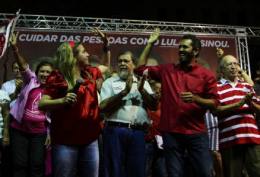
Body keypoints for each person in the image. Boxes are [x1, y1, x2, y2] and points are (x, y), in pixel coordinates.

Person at [135, 31, 219, 177]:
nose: (180, 49)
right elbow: (139, 69)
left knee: (205, 172)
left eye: (185, 47)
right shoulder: (167, 70)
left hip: (196, 133)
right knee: (174, 174)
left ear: (196, 51)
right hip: (171, 133)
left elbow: (215, 103)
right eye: (180, 47)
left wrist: (196, 99)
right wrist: (150, 44)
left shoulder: (206, 75)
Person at [39, 42, 102, 177]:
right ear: (73, 57)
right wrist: (62, 100)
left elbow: (105, 67)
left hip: (90, 140)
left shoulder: (90, 73)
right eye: (84, 52)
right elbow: (42, 104)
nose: (88, 54)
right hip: (65, 141)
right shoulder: (58, 77)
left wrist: (107, 47)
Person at [99, 50, 157, 177]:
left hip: (137, 132)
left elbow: (153, 105)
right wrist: (123, 93)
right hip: (115, 130)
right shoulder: (110, 82)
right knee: (114, 170)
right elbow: (102, 107)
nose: (122, 64)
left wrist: (142, 90)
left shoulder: (143, 82)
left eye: (126, 61)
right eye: (119, 61)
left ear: (134, 65)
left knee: (137, 171)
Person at [6, 33, 53, 177]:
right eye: (42, 71)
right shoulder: (30, 81)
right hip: (19, 130)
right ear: (36, 73)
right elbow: (23, 66)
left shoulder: (55, 90)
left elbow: (54, 115)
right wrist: (15, 49)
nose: (45, 74)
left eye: (48, 72)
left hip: (39, 133)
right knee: (19, 165)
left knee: (37, 165)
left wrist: (50, 133)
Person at [214, 54, 260, 177]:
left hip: (252, 137)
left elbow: (258, 109)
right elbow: (215, 111)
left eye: (236, 64)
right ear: (222, 70)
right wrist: (239, 104)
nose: (234, 67)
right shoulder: (216, 88)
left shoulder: (247, 86)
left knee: (257, 172)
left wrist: (250, 103)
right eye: (230, 64)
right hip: (229, 139)